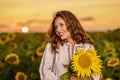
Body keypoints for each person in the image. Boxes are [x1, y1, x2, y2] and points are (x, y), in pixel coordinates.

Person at [39, 10, 100, 80]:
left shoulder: (88, 47)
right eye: (56, 27)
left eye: (61, 25)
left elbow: (96, 71)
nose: (58, 30)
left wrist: (89, 78)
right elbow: (44, 71)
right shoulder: (52, 46)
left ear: (71, 24)